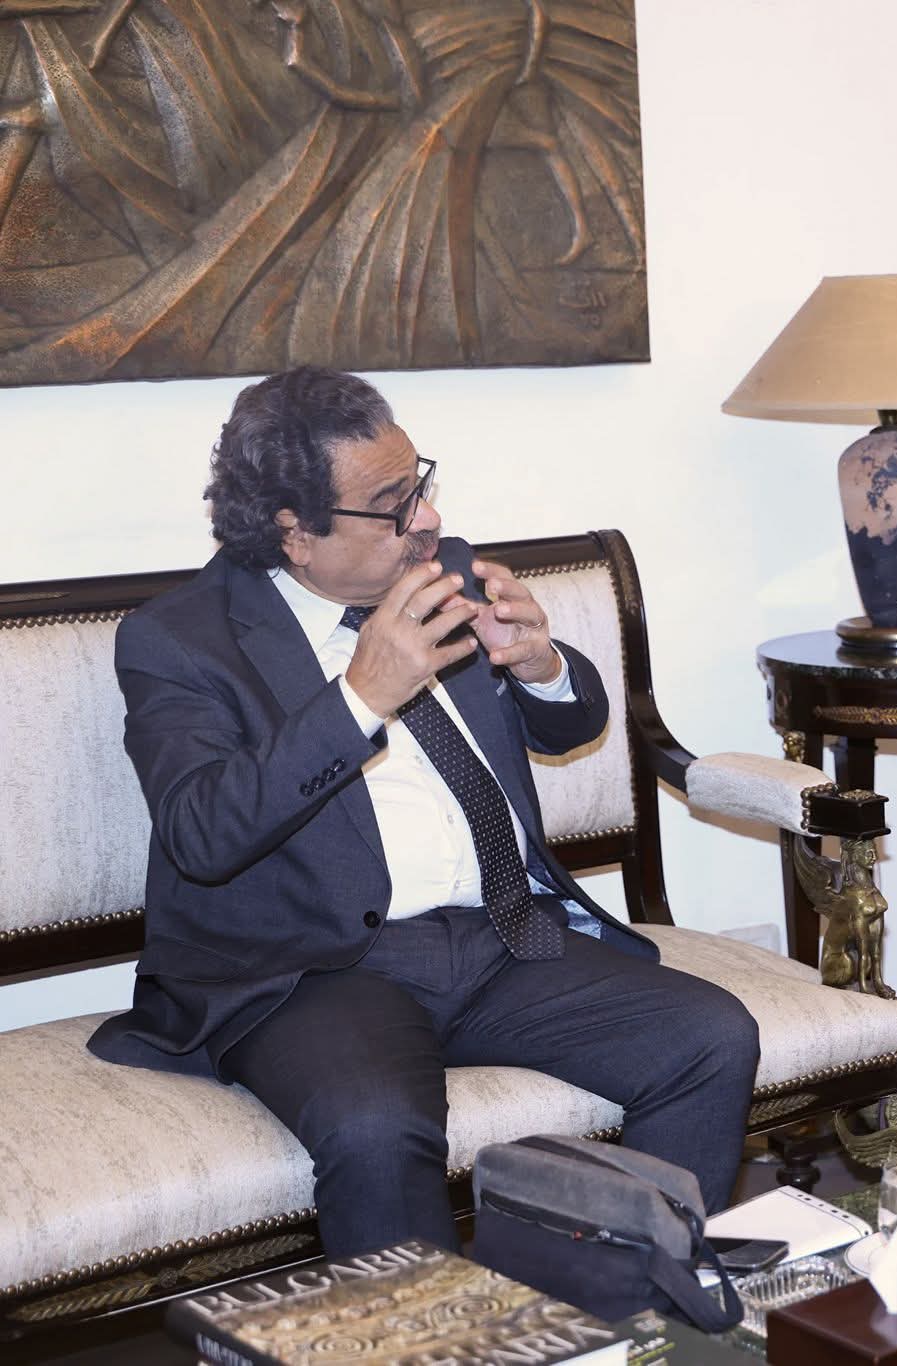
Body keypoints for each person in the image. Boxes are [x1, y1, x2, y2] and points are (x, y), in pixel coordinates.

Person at [89, 367, 760, 1258]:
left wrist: (541, 665)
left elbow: (572, 727)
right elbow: (202, 834)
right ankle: (422, 1333)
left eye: (420, 485)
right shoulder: (182, 640)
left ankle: (613, 1306)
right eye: (392, 505)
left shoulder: (442, 573)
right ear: (295, 533)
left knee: (708, 1037)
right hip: (315, 970)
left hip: (498, 935)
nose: (429, 520)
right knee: (373, 1127)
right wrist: (361, 696)